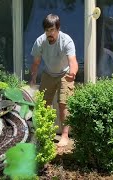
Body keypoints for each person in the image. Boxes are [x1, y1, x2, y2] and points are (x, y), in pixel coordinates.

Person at [29, 14, 78, 147]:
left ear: (58, 28)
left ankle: (65, 135)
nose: (49, 33)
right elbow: (36, 63)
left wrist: (73, 73)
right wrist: (33, 77)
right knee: (43, 104)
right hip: (49, 73)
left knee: (63, 104)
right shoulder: (40, 41)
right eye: (47, 30)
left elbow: (73, 61)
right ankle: (46, 134)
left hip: (65, 73)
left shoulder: (66, 40)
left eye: (52, 30)